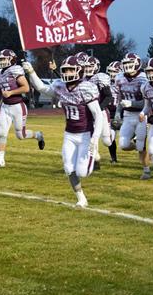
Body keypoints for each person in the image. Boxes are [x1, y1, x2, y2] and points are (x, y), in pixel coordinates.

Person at [22, 56, 103, 208]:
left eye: (71, 69)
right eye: (65, 70)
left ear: (79, 70)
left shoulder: (86, 87)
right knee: (68, 168)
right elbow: (42, 89)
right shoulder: (61, 86)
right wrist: (31, 72)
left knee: (82, 172)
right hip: (70, 134)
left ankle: (95, 155)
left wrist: (95, 138)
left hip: (86, 134)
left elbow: (98, 115)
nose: (67, 72)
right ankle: (81, 199)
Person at [0, 49, 45, 169]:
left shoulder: (15, 70)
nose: (1, 61)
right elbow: (4, 90)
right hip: (5, 107)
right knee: (1, 133)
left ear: (11, 59)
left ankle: (38, 135)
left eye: (4, 59)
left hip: (17, 107)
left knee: (21, 135)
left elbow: (26, 88)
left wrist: (11, 93)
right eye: (0, 59)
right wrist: (0, 103)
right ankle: (0, 160)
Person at [114, 52, 151, 179]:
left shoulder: (143, 79)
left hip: (141, 115)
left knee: (142, 146)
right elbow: (120, 99)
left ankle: (146, 170)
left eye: (130, 64)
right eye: (125, 64)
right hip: (128, 115)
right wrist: (118, 113)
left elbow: (147, 103)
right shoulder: (119, 78)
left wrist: (132, 103)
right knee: (123, 145)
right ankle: (138, 145)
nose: (128, 66)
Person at [84, 56, 113, 170]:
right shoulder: (82, 78)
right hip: (88, 114)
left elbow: (108, 96)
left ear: (96, 67)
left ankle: (111, 135)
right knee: (92, 137)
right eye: (86, 66)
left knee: (107, 141)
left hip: (101, 112)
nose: (88, 68)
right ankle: (95, 160)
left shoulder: (100, 78)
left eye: (90, 66)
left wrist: (98, 109)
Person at [106, 61, 123, 163]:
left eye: (114, 71)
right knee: (109, 138)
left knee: (126, 139)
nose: (111, 74)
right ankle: (114, 159)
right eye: (110, 71)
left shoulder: (124, 83)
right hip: (110, 113)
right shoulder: (105, 82)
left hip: (123, 113)